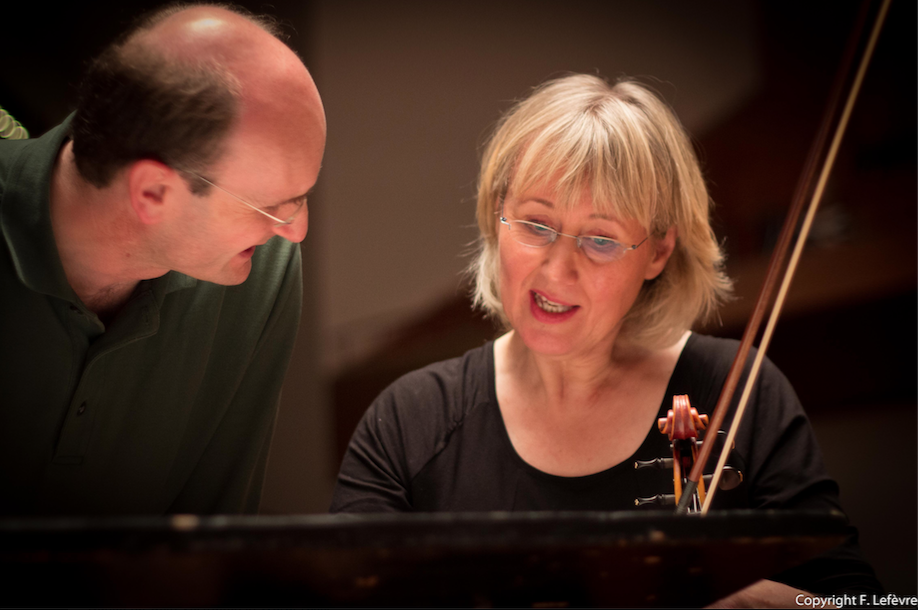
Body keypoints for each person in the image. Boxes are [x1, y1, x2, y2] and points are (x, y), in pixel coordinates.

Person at [330, 75, 880, 605]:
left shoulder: (738, 393)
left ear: (658, 252)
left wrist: (756, 604)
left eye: (600, 239)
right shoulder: (410, 423)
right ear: (497, 218)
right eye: (536, 225)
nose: (557, 270)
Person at [0, 4, 326, 515]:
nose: (296, 232)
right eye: (273, 207)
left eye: (302, 199)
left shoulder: (262, 267)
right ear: (152, 192)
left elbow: (213, 538)